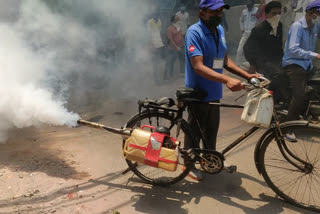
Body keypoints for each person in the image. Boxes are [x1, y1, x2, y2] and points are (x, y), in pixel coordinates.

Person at [184, 0, 259, 181]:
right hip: (198, 92)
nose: (219, 15)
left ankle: (210, 159)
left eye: (220, 12)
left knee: (211, 130)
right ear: (202, 13)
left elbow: (225, 61)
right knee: (194, 131)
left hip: (214, 91)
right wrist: (227, 79)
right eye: (214, 12)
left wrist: (247, 75)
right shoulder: (194, 32)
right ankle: (189, 164)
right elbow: (198, 66)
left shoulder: (218, 30)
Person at [282, 0, 320, 141]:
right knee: (299, 95)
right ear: (311, 12)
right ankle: (287, 128)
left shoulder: (314, 27)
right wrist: (315, 55)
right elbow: (293, 50)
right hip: (294, 64)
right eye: (319, 13)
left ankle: (308, 114)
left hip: (307, 64)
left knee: (315, 89)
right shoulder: (297, 27)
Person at [243, 1, 285, 104]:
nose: (276, 16)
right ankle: (271, 103)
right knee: (278, 75)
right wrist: (253, 63)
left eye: (279, 13)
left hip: (276, 61)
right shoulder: (259, 29)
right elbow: (247, 48)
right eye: (274, 13)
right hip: (262, 62)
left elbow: (279, 46)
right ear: (266, 15)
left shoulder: (279, 26)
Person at [236, 0, 258, 66]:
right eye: (248, 5)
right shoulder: (244, 11)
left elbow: (259, 20)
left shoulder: (256, 10)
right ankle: (237, 64)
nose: (249, 7)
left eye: (250, 5)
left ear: (253, 4)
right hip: (246, 33)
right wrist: (242, 28)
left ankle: (255, 64)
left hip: (254, 33)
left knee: (255, 49)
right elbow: (241, 20)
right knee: (240, 49)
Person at [164, 15, 184, 80]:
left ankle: (181, 73)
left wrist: (182, 44)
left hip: (180, 46)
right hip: (173, 47)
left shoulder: (178, 27)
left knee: (182, 59)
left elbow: (181, 35)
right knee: (172, 61)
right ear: (174, 20)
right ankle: (170, 75)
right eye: (176, 18)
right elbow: (170, 39)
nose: (178, 18)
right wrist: (176, 47)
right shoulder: (169, 28)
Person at [147, 13, 165, 84]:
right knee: (154, 63)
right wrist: (151, 45)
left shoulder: (159, 21)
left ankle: (158, 78)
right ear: (153, 16)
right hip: (153, 44)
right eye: (155, 16)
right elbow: (148, 34)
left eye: (157, 16)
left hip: (159, 44)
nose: (157, 17)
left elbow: (159, 32)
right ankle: (155, 80)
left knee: (158, 62)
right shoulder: (150, 22)